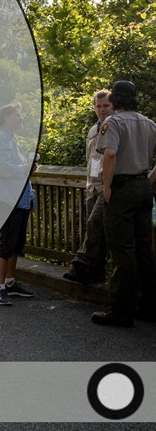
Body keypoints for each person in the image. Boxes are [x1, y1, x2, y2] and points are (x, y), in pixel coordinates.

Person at [91, 80, 156, 327]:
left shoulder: (113, 122)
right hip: (143, 187)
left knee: (121, 250)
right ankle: (149, 306)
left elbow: (109, 154)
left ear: (115, 99)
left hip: (121, 188)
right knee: (144, 249)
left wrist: (107, 187)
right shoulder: (149, 123)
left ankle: (120, 310)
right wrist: (148, 180)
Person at [0, 102, 36, 306]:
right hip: (8, 199)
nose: (21, 119)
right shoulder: (0, 139)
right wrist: (26, 167)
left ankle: (11, 282)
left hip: (21, 198)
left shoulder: (12, 139)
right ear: (6, 117)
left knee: (16, 244)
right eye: (17, 115)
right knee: (7, 244)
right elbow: (3, 169)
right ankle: (0, 289)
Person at [63, 90, 112, 284]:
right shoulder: (93, 130)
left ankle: (80, 264)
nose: (101, 110)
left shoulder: (116, 126)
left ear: (113, 106)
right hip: (91, 185)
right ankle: (95, 272)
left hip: (106, 185)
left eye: (105, 106)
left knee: (94, 224)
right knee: (96, 230)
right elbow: (90, 158)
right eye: (98, 106)